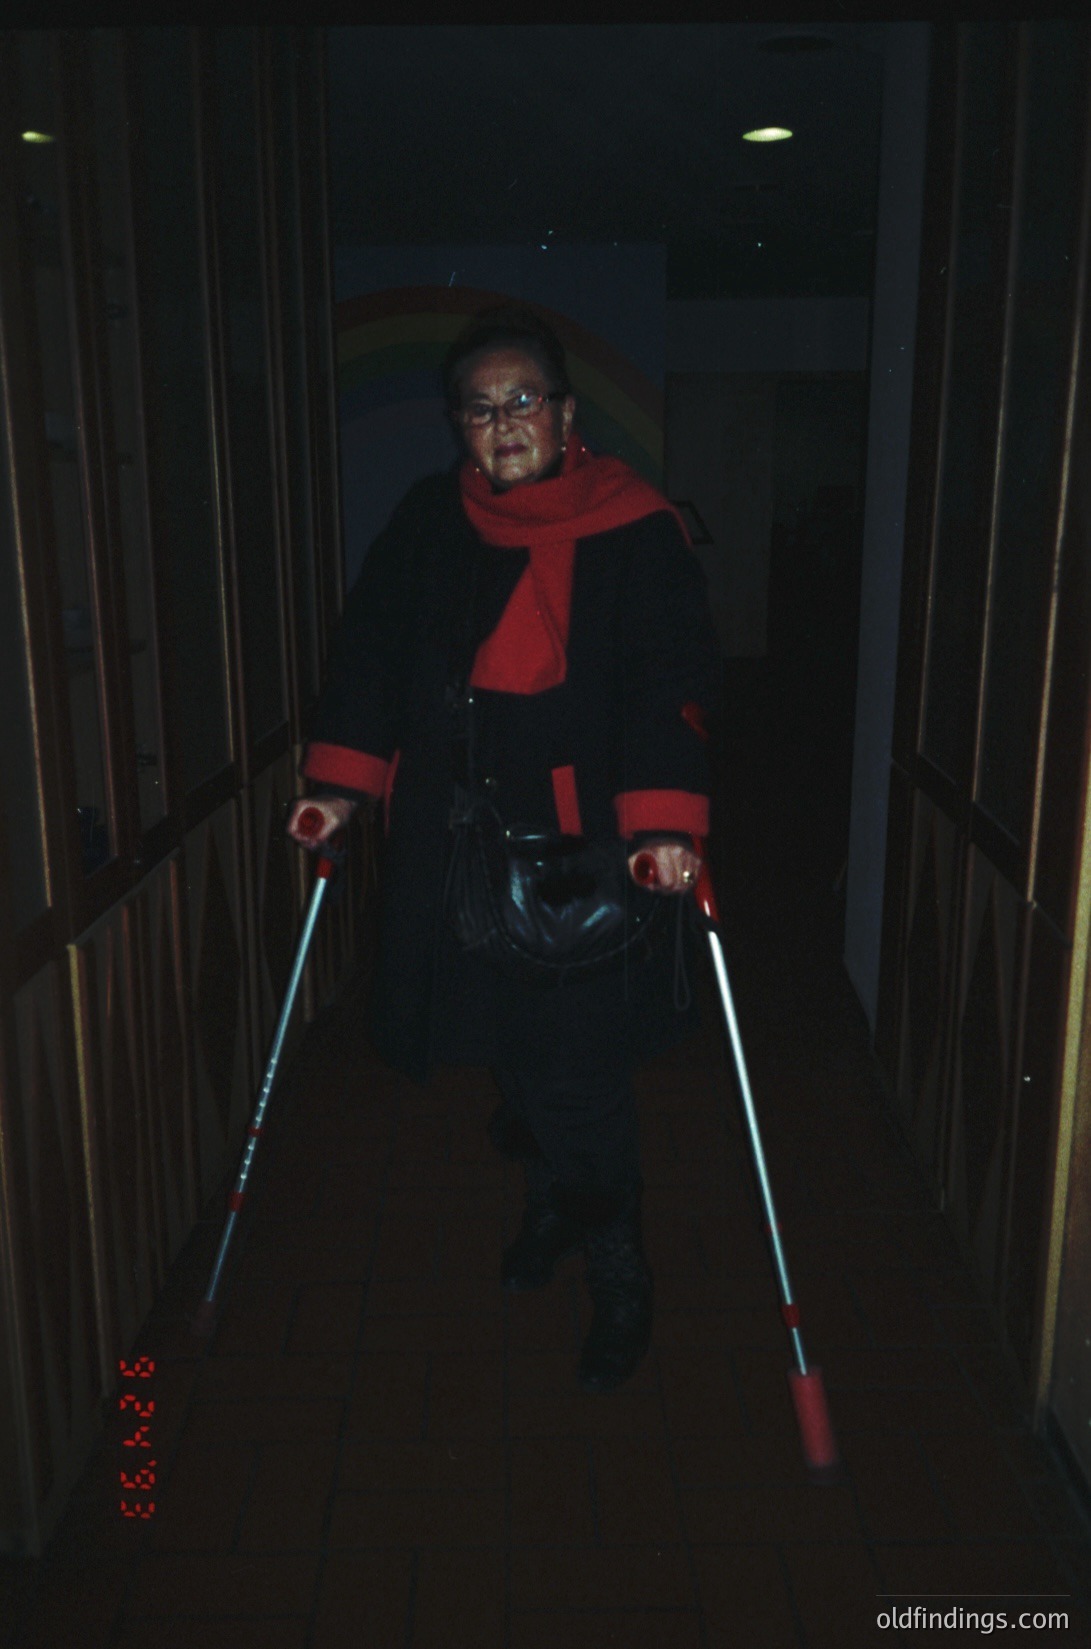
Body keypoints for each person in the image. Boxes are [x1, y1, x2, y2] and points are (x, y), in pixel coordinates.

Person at [287, 304, 719, 1391]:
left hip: (583, 848)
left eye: (523, 398)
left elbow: (669, 679)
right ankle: (550, 1210)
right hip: (456, 843)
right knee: (512, 1057)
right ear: (459, 427)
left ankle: (619, 1267)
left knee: (579, 1071)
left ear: (565, 412)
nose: (503, 422)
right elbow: (372, 653)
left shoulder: (633, 524)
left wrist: (664, 823)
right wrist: (339, 788)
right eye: (478, 408)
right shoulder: (431, 520)